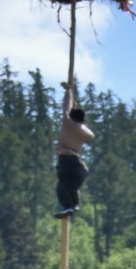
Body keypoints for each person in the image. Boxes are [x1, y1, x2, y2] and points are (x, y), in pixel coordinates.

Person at [55, 87, 93, 217]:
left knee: (62, 185)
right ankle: (74, 205)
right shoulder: (86, 133)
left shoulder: (68, 124)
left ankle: (67, 206)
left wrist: (68, 91)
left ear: (73, 118)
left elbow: (66, 109)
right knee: (73, 187)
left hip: (67, 162)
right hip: (80, 166)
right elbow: (80, 124)